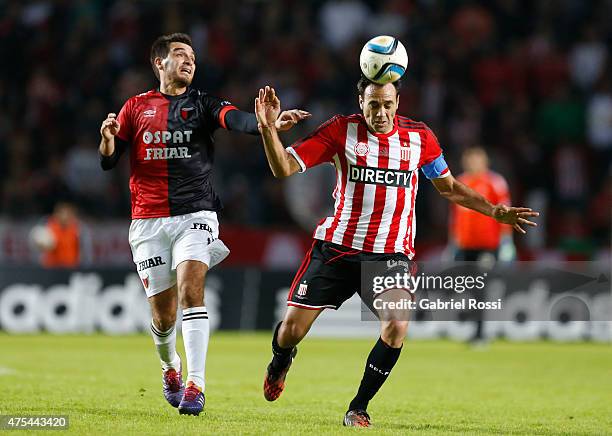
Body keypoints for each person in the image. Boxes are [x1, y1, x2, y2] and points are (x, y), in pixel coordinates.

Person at [253, 81, 538, 427]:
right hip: (337, 248)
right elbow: (282, 167)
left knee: (396, 325)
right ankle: (281, 361)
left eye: (387, 104)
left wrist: (494, 211)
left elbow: (448, 188)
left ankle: (358, 406)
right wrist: (268, 128)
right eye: (373, 105)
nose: (381, 113)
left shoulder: (419, 138)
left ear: (398, 101)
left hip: (389, 254)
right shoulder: (341, 130)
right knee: (291, 332)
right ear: (361, 102)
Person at [99, 33, 308, 416]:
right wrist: (108, 141)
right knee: (163, 316)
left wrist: (269, 122)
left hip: (196, 214)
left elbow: (238, 120)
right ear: (159, 63)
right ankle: (170, 367)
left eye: (192, 56)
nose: (189, 61)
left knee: (192, 288)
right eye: (180, 54)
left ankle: (196, 384)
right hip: (147, 222)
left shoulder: (202, 104)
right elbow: (109, 161)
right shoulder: (135, 107)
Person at [448, 147, 516, 345]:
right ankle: (475, 329)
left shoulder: (495, 182)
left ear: (485, 161)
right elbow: (454, 216)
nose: (472, 163)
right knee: (467, 288)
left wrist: (506, 242)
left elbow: (507, 212)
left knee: (480, 288)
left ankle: (480, 332)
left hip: (487, 245)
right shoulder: (459, 181)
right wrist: (453, 242)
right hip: (464, 245)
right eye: (469, 160)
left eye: (476, 160)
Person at [30, 202, 92, 268]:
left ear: (72, 215)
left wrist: (85, 266)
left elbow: (86, 250)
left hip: (71, 267)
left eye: (67, 214)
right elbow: (36, 244)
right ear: (56, 214)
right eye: (61, 213)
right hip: (50, 267)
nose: (64, 217)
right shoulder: (47, 226)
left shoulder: (79, 229)